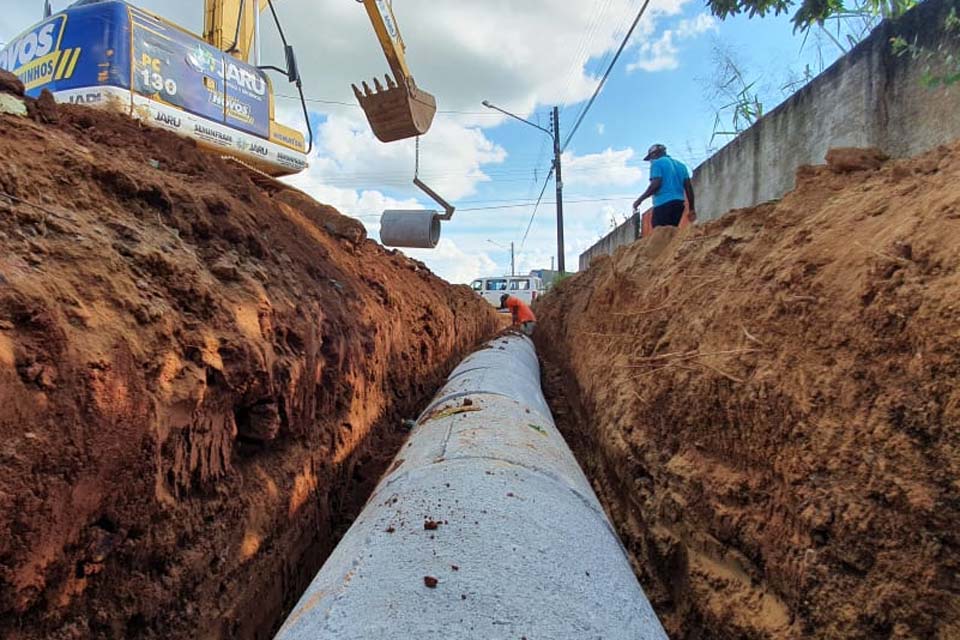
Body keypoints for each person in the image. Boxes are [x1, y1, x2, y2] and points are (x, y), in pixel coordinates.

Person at [632, 144, 696, 228]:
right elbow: (689, 188)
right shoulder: (681, 166)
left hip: (662, 204)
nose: (650, 161)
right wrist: (691, 208)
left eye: (650, 158)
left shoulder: (656, 163)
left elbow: (656, 184)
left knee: (659, 234)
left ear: (654, 154)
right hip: (679, 204)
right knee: (671, 233)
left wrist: (639, 200)